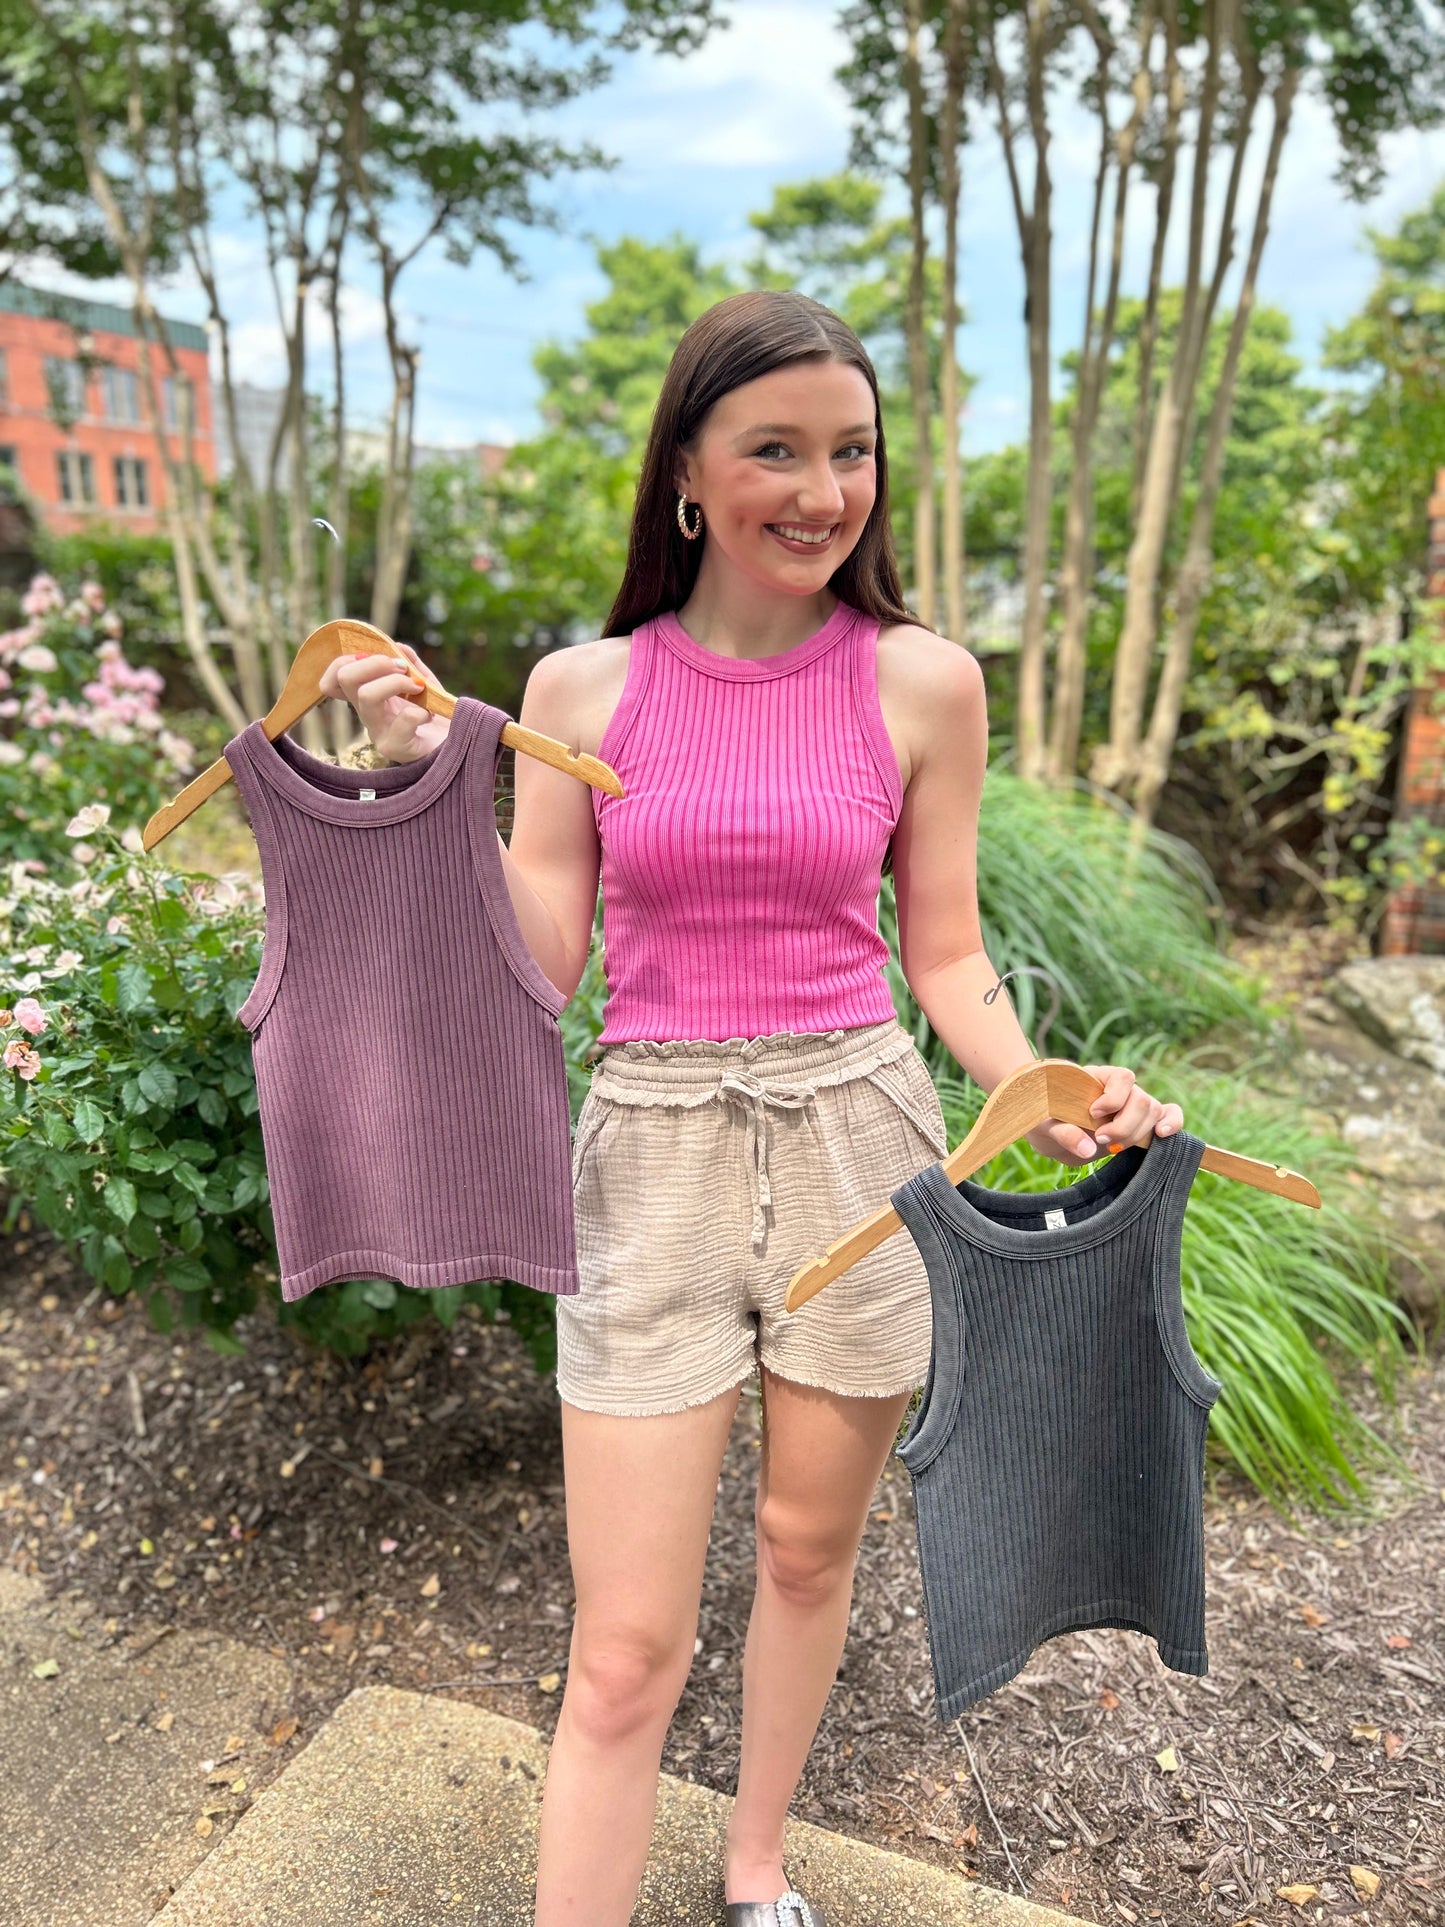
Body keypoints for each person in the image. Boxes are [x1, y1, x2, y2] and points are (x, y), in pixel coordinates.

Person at [322, 289, 1184, 1927]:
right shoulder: (581, 691)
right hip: (647, 1156)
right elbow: (540, 962)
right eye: (774, 451)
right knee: (625, 1643)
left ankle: (756, 1862)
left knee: (804, 1550)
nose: (820, 490)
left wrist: (1039, 1089)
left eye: (849, 452)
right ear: (689, 481)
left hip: (861, 1138)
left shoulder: (924, 681)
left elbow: (946, 952)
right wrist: (441, 795)